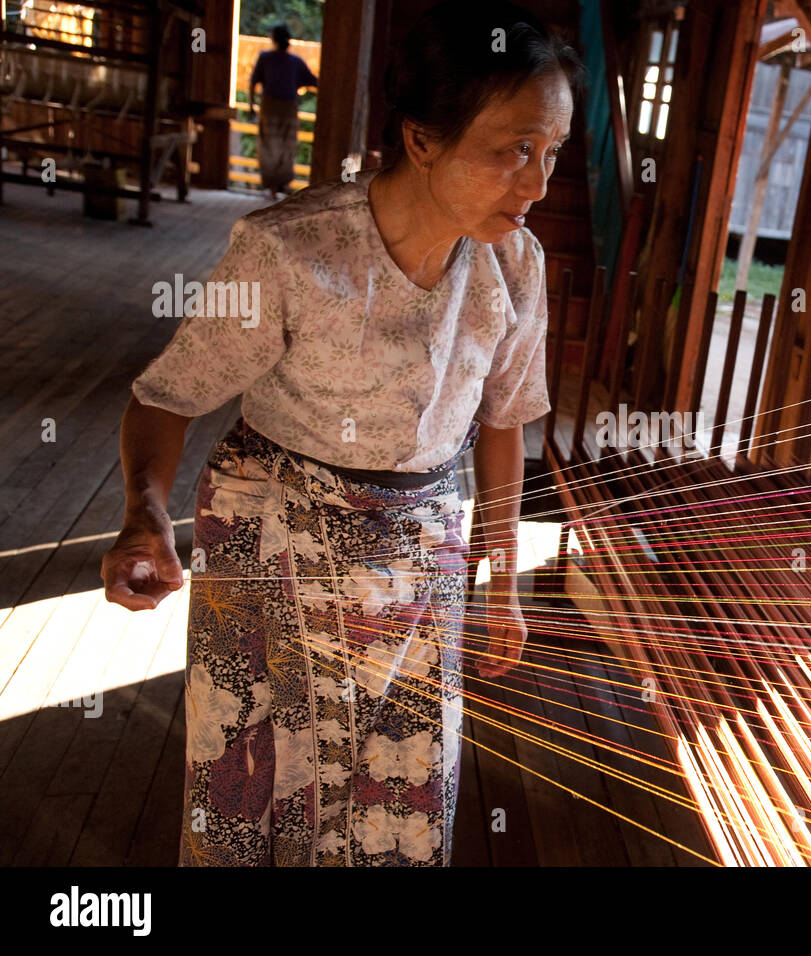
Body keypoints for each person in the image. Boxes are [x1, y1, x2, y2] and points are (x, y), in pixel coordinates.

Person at [100, 0, 585, 866]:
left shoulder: (515, 265)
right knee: (248, 788)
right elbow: (168, 397)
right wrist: (145, 513)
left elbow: (506, 421)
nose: (538, 183)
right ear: (422, 139)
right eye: (514, 149)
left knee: (406, 801)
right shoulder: (289, 253)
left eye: (551, 153)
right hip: (270, 543)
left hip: (421, 556)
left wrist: (501, 579)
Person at [249, 24, 318, 199]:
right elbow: (314, 81)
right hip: (286, 107)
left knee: (271, 145)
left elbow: (253, 83)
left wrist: (251, 106)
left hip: (271, 107)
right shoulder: (294, 62)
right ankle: (280, 184)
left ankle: (275, 185)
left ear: (273, 40)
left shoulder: (268, 58)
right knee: (286, 145)